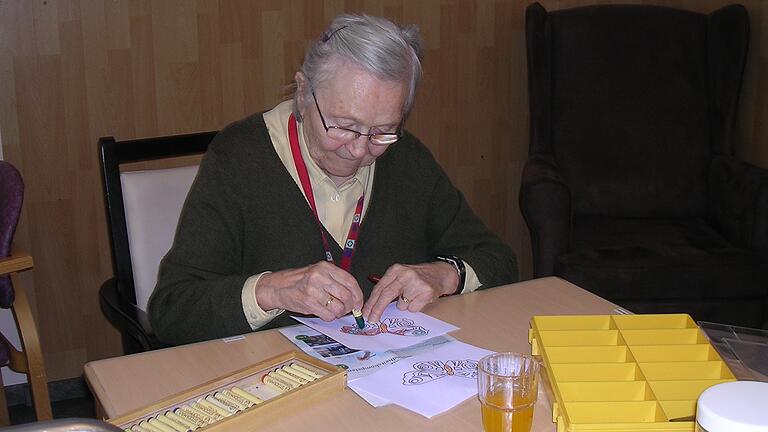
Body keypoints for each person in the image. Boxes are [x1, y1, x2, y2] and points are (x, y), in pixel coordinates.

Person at [148, 14, 518, 345]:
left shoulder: (408, 159)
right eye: (344, 126)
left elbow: (498, 259)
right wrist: (270, 291)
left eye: (382, 132)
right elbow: (172, 310)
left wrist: (445, 275)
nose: (359, 150)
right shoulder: (239, 158)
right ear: (303, 92)